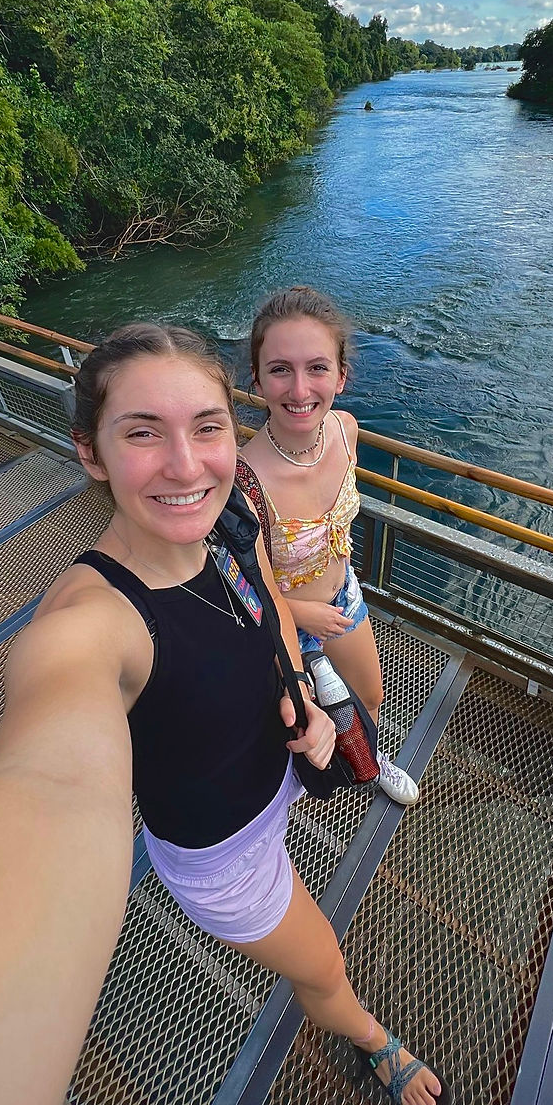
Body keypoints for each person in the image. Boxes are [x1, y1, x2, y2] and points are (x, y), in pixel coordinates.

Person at [0, 322, 447, 1105]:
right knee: (322, 962)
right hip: (227, 852)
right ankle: (368, 1035)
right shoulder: (90, 622)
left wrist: (306, 701)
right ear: (91, 452)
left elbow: (267, 611)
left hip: (282, 769)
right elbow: (45, 784)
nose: (186, 465)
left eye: (207, 427)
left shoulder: (229, 518)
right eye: (143, 433)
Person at [239, 287, 420, 807]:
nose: (299, 389)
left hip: (342, 598)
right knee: (297, 731)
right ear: (257, 377)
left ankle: (374, 762)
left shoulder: (345, 431)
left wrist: (328, 606)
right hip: (276, 620)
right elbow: (231, 579)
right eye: (280, 369)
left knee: (369, 697)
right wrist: (299, 614)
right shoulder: (242, 480)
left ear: (341, 376)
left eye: (317, 368)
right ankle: (290, 799)